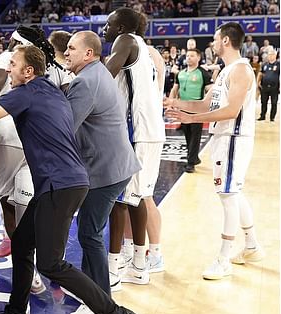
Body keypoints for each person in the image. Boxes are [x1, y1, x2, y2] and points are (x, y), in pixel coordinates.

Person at [0, 44, 141, 314]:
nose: (7, 69)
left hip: (59, 184)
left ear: (28, 71)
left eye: (12, 64)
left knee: (51, 263)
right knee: (22, 243)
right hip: (66, 181)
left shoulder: (24, 93)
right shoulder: (50, 91)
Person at [165, 22, 265, 280]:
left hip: (233, 138)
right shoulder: (225, 71)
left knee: (228, 195)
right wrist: (177, 103)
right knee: (234, 192)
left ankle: (223, 259)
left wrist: (190, 120)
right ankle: (252, 245)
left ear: (226, 41)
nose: (213, 41)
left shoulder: (241, 70)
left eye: (216, 38)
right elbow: (203, 104)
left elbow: (232, 111)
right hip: (223, 138)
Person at [62, 31, 141, 314]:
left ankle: (100, 302)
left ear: (89, 54)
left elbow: (65, 128)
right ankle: (89, 288)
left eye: (71, 48)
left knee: (89, 232)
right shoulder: (97, 72)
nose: (66, 53)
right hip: (113, 165)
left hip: (106, 169)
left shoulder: (85, 81)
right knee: (88, 228)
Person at [0, 26, 48, 295]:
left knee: (7, 201)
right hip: (34, 137)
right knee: (28, 204)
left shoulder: (8, 57)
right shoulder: (40, 64)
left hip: (7, 137)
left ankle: (25, 263)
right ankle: (36, 262)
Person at [103, 8, 167, 285]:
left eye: (109, 23)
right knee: (137, 197)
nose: (105, 27)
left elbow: (103, 78)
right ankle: (139, 263)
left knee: (119, 199)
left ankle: (113, 270)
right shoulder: (145, 49)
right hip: (150, 131)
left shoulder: (126, 40)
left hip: (136, 131)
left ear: (122, 27)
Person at [169, 48, 213, 173]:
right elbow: (175, 88)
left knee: (195, 135)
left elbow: (211, 88)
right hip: (183, 108)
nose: (189, 58)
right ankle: (194, 157)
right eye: (187, 55)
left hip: (197, 109)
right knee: (187, 134)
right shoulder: (181, 73)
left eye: (192, 56)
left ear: (198, 58)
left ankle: (191, 163)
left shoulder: (203, 73)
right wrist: (171, 102)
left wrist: (208, 103)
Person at [257, 48, 279, 122]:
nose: (270, 56)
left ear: (275, 55)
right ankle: (262, 116)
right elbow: (260, 73)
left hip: (275, 87)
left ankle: (272, 117)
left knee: (274, 103)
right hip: (264, 86)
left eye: (272, 54)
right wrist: (258, 82)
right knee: (263, 102)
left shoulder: (279, 64)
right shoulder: (265, 64)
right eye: (269, 54)